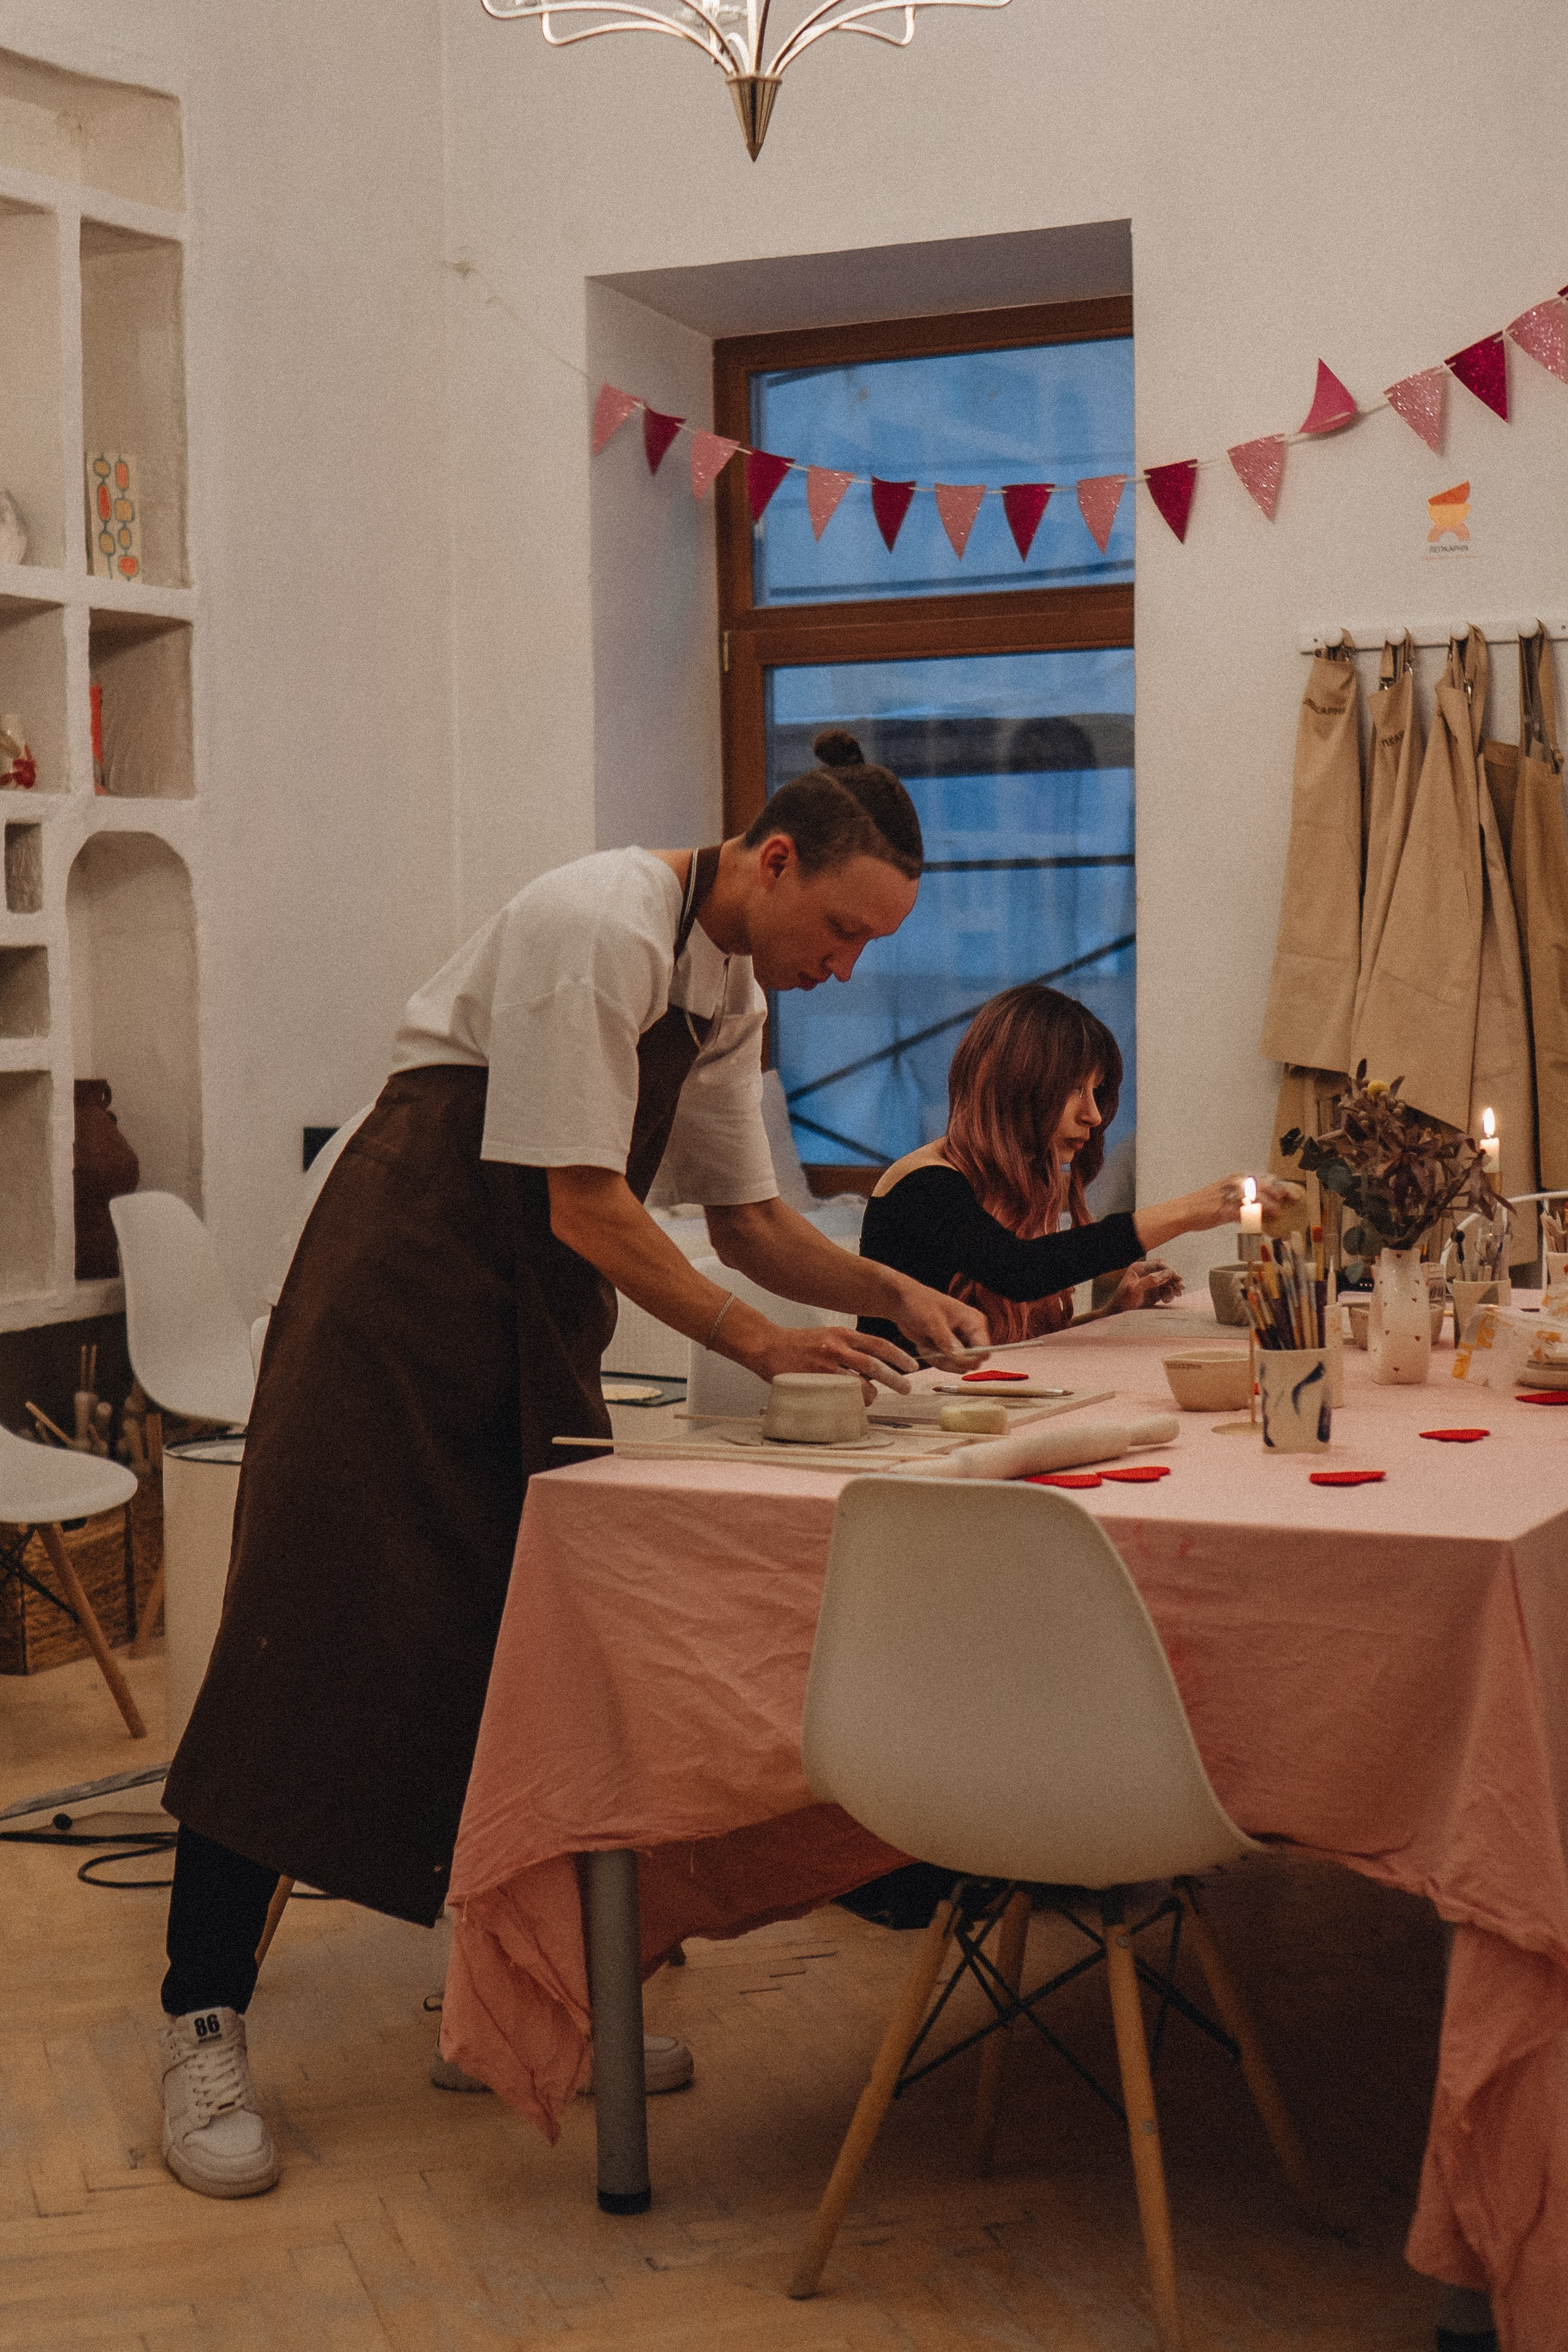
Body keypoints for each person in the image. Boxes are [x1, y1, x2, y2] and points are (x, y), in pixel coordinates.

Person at [155, 729, 989, 2199]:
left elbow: (749, 1221)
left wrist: (885, 1296)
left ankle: (507, 1999)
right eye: (842, 929)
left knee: (531, 1662)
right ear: (771, 859)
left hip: (529, 1321)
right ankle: (199, 2017)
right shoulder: (592, 923)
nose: (847, 966)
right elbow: (587, 1205)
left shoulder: (729, 987)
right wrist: (760, 1340)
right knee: (305, 1648)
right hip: (395, 1294)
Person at [858, 982, 1297, 1348]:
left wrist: (1110, 1313)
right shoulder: (924, 1185)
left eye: (1096, 1090)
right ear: (1017, 1086)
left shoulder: (1022, 1182)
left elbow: (1013, 1350)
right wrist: (1192, 1211)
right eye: (1073, 1089)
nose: (1094, 1115)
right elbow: (1019, 1270)